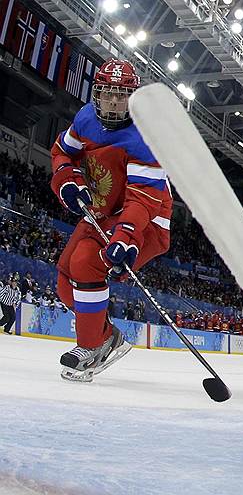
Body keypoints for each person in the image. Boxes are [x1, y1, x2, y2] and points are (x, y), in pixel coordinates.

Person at [50, 58, 173, 382]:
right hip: (103, 212)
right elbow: (62, 153)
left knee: (87, 261)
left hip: (148, 220)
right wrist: (67, 178)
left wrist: (127, 236)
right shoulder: (86, 119)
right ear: (96, 94)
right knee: (65, 280)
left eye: (122, 95)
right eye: (108, 93)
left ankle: (90, 347)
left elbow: (143, 198)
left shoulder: (146, 137)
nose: (114, 101)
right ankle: (107, 338)